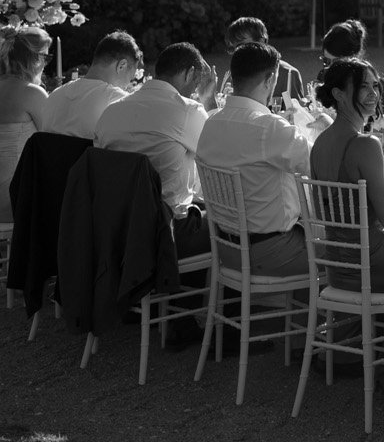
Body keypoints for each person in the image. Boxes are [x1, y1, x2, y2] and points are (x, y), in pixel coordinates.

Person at [197, 40, 312, 278]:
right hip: (270, 252)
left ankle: (301, 313)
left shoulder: (210, 123)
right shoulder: (268, 127)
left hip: (226, 249)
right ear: (270, 80)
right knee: (350, 258)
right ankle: (312, 315)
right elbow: (322, 164)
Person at [94, 41, 215, 258]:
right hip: (166, 233)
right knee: (233, 225)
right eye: (196, 83)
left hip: (113, 229)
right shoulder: (187, 111)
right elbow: (218, 157)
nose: (195, 91)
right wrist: (208, 102)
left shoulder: (111, 112)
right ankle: (205, 291)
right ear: (189, 74)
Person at [309, 57, 384, 290]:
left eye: (375, 85)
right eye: (362, 86)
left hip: (336, 266)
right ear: (338, 94)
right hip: (374, 264)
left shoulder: (320, 142)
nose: (373, 93)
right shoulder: (365, 145)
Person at [45, 31, 141, 139]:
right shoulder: (118, 101)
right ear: (121, 66)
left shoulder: (55, 95)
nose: (128, 85)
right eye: (130, 77)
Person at [0, 26, 51, 224]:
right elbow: (51, 140)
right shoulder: (32, 93)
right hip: (13, 200)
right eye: (45, 57)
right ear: (33, 59)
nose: (45, 64)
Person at [321, 18, 384, 121]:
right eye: (326, 61)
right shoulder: (323, 78)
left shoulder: (377, 87)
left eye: (335, 62)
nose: (329, 68)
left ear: (353, 58)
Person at [224, 17, 306, 111]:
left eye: (241, 45)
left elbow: (298, 116)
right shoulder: (236, 73)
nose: (237, 52)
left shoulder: (287, 74)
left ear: (261, 42)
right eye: (233, 48)